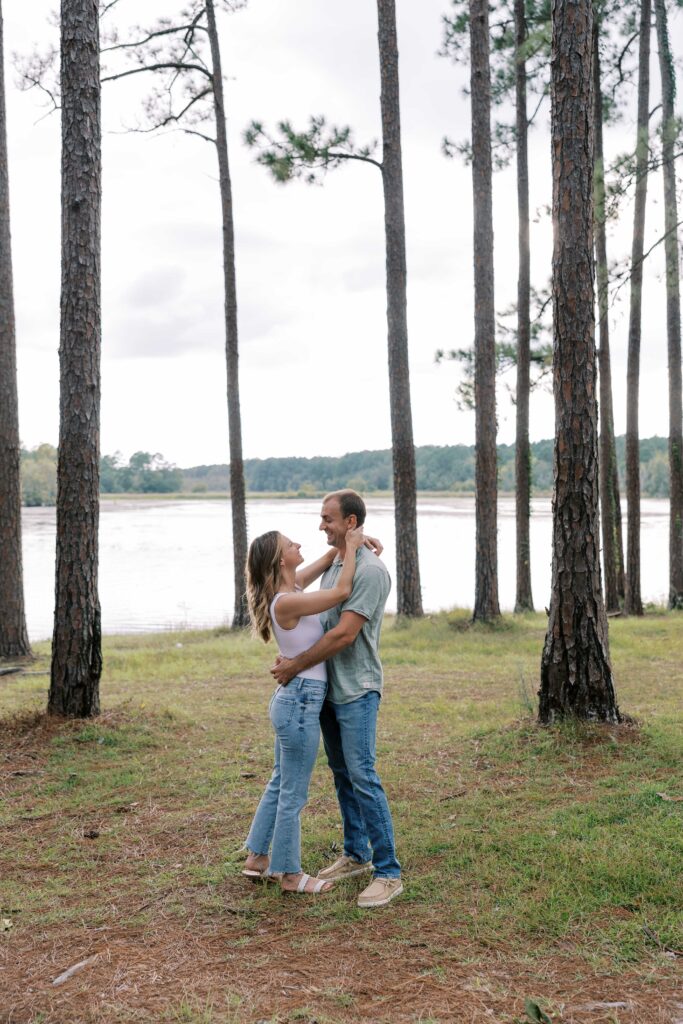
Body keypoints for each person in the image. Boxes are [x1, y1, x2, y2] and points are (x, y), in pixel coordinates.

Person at [271, 489, 402, 909]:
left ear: (350, 522)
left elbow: (344, 634)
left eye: (328, 518)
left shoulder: (370, 571)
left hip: (357, 690)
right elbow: (301, 600)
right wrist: (342, 548)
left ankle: (388, 872)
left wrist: (294, 666)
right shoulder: (339, 564)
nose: (320, 525)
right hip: (328, 689)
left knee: (363, 776)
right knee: (342, 775)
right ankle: (356, 854)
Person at [242, 525, 367, 894]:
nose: (299, 544)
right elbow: (343, 590)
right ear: (282, 559)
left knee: (280, 781)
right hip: (300, 701)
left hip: (293, 699)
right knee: (293, 792)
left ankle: (257, 858)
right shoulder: (289, 600)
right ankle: (291, 875)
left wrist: (347, 542)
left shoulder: (290, 589)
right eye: (291, 544)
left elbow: (328, 560)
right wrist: (354, 545)